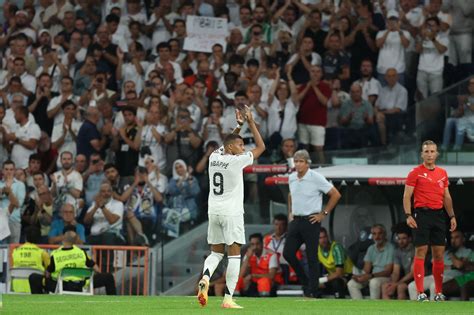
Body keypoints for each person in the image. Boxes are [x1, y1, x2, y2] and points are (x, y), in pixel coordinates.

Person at [196, 106, 265, 309]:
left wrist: (239, 126)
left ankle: (206, 278)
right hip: (231, 213)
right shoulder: (237, 161)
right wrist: (251, 122)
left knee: (216, 253)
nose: (244, 149)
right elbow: (261, 148)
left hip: (214, 211)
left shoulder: (214, 158)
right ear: (233, 149)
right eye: (241, 145)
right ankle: (228, 299)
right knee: (234, 255)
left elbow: (227, 142)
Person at [403, 140, 457, 301]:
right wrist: (408, 215)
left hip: (439, 216)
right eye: (426, 151)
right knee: (421, 251)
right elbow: (407, 195)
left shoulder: (442, 173)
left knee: (438, 254)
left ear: (437, 154)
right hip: (422, 214)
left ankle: (438, 293)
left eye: (432, 151)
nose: (429, 154)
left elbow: (446, 196)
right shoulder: (415, 172)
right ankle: (420, 293)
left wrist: (452, 216)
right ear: (422, 154)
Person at [283, 149, 341, 298]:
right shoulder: (291, 178)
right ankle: (306, 282)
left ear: (308, 163)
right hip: (296, 220)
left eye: (301, 161)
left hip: (311, 220)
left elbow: (335, 194)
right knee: (288, 253)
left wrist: (324, 213)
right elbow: (291, 194)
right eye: (296, 161)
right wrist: (290, 211)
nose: (298, 164)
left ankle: (313, 291)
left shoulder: (316, 177)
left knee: (312, 256)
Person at [29, 230, 117, 295]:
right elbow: (95, 268)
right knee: (108, 277)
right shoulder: (81, 253)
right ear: (75, 241)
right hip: (81, 285)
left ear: (63, 239)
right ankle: (114, 303)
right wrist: (97, 275)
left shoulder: (55, 255)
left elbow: (48, 273)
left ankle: (40, 301)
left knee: (33, 277)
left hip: (60, 286)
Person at [407, 229, 472, 300]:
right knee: (412, 286)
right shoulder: (444, 252)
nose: (453, 240)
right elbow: (434, 263)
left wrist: (451, 254)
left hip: (452, 277)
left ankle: (434, 310)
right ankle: (416, 310)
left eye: (457, 237)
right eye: (452, 238)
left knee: (434, 286)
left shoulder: (467, 252)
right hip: (436, 275)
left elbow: (459, 265)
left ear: (463, 239)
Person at [347, 224, 395, 300]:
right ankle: (360, 309)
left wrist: (370, 276)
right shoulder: (371, 248)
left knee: (374, 282)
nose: (377, 236)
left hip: (386, 278)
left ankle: (373, 309)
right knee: (351, 284)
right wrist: (359, 276)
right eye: (374, 234)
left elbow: (388, 271)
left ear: (385, 234)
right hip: (372, 276)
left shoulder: (391, 248)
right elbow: (366, 270)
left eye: (380, 233)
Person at [237, 233, 279, 297]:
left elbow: (271, 276)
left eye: (257, 244)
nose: (255, 247)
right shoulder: (249, 254)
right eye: (252, 244)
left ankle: (264, 303)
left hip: (269, 282)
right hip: (252, 282)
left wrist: (253, 276)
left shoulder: (272, 255)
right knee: (236, 281)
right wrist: (248, 258)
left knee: (263, 282)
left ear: (262, 244)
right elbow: (241, 275)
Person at [11, 226, 49, 293]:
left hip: (16, 288)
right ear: (38, 239)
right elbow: (49, 269)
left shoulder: (15, 251)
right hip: (35, 289)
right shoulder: (42, 253)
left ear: (25, 238)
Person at [318, 227, 353, 299]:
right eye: (320, 238)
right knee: (310, 286)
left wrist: (321, 280)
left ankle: (340, 305)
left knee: (336, 282)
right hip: (331, 277)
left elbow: (339, 273)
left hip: (348, 276)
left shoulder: (336, 248)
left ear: (327, 237)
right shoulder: (317, 249)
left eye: (324, 237)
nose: (323, 240)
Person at [381, 225, 415, 300]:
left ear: (410, 239)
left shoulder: (415, 251)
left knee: (400, 287)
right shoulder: (397, 251)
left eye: (404, 238)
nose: (401, 241)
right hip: (405, 280)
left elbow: (412, 273)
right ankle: (387, 311)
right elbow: (396, 272)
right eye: (399, 239)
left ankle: (401, 311)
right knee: (385, 286)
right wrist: (392, 283)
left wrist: (396, 284)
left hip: (416, 280)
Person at [0, 160, 26, 244]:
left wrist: (8, 191)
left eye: (11, 169)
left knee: (13, 252)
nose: (9, 172)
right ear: (2, 170)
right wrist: (4, 191)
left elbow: (18, 204)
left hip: (14, 220)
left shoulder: (20, 185)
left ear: (14, 171)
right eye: (6, 169)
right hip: (0, 221)